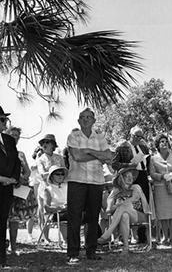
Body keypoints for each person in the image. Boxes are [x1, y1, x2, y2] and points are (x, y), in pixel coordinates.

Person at [66, 108, 112, 264]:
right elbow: (77, 156)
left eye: (89, 117)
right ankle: (73, 253)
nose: (85, 119)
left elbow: (108, 156)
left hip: (96, 182)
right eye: (82, 117)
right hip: (76, 181)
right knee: (74, 217)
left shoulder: (100, 138)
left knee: (93, 217)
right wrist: (98, 155)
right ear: (78, 121)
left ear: (94, 121)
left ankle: (91, 251)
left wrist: (89, 150)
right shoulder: (73, 136)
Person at [97, 167, 151, 256]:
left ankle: (108, 232)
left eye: (132, 176)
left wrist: (119, 205)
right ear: (121, 178)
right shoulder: (115, 192)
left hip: (139, 215)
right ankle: (126, 248)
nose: (130, 178)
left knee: (125, 206)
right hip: (122, 218)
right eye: (127, 176)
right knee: (124, 215)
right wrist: (114, 207)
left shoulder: (135, 187)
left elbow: (135, 198)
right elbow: (108, 210)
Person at [111, 126, 151, 244]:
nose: (139, 138)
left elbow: (147, 163)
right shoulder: (122, 147)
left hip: (143, 176)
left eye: (140, 136)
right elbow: (114, 164)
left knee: (143, 204)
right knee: (129, 204)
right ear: (131, 135)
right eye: (136, 136)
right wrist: (129, 164)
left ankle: (143, 236)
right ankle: (125, 236)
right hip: (129, 178)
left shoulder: (143, 147)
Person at [6, 126, 38, 252]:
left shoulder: (20, 154)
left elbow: (28, 171)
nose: (15, 138)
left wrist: (22, 178)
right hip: (4, 186)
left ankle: (13, 246)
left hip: (17, 190)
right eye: (13, 135)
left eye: (17, 136)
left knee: (14, 220)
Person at [149, 134, 172, 246]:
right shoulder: (153, 158)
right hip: (160, 188)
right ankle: (165, 237)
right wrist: (162, 176)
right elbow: (152, 173)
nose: (164, 143)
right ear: (158, 145)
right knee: (163, 213)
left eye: (166, 141)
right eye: (162, 142)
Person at [0, 106, 20, 268]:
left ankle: (1, 259)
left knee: (2, 222)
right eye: (1, 120)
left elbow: (16, 162)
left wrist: (13, 178)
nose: (5, 122)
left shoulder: (9, 140)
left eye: (5, 119)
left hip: (7, 189)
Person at [37, 134, 65, 243]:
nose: (45, 144)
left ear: (53, 144)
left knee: (61, 209)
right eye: (43, 142)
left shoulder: (59, 157)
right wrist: (54, 173)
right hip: (45, 187)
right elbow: (42, 173)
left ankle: (64, 237)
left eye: (48, 142)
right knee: (44, 211)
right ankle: (46, 237)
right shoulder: (41, 159)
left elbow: (64, 171)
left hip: (59, 187)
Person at [43, 165, 69, 244]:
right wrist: (60, 208)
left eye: (62, 174)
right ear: (51, 176)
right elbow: (46, 207)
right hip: (55, 213)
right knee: (65, 216)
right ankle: (67, 241)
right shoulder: (48, 189)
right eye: (57, 174)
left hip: (69, 210)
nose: (60, 176)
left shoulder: (67, 186)